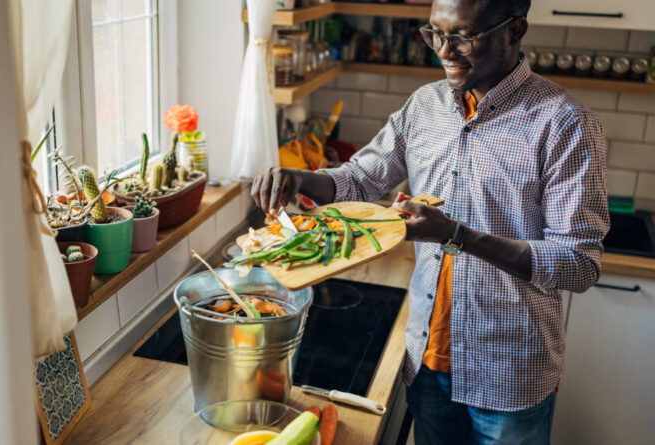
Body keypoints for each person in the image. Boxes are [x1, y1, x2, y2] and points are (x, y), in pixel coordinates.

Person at [251, 0, 609, 443]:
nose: (444, 50)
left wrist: (455, 235)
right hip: (427, 362)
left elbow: (578, 263)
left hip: (509, 373)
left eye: (462, 36)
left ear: (515, 30)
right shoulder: (424, 105)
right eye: (434, 34)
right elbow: (361, 177)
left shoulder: (565, 123)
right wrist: (301, 178)